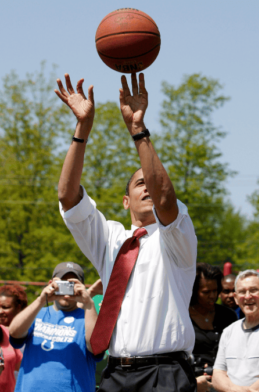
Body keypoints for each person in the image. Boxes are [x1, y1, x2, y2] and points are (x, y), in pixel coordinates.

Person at [56, 73, 197, 391]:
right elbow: (68, 196)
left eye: (151, 180)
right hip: (116, 374)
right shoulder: (110, 238)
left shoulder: (176, 236)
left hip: (166, 373)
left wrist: (137, 129)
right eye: (139, 183)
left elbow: (164, 197)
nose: (147, 186)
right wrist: (83, 128)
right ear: (125, 200)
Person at [8, 262, 102, 392]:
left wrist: (88, 302)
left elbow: (96, 347)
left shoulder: (88, 319)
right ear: (51, 283)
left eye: (72, 284)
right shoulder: (37, 313)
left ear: (81, 287)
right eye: (62, 283)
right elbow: (14, 333)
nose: (67, 289)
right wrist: (41, 300)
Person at [190, 263, 238, 392]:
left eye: (215, 291)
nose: (212, 296)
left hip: (225, 381)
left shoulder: (228, 315)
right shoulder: (182, 316)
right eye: (206, 292)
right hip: (193, 382)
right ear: (194, 291)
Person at [0, 285, 26, 391]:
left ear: (18, 307)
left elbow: (22, 368)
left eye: (5, 307)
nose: (0, 311)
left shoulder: (8, 334)